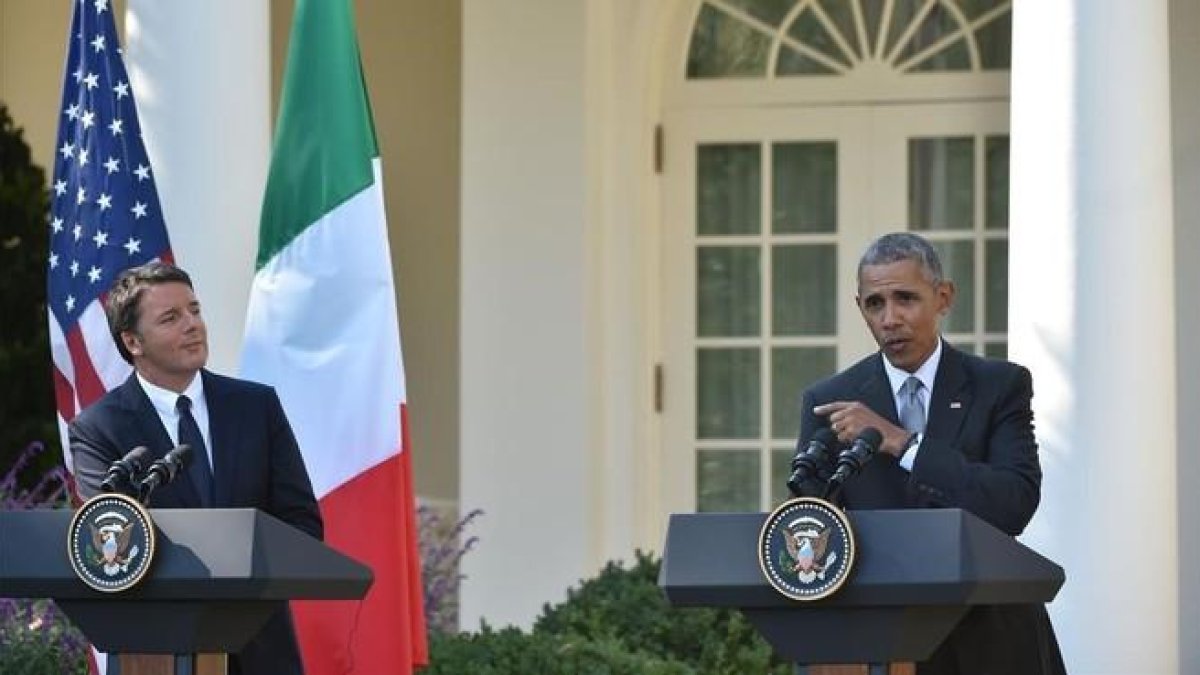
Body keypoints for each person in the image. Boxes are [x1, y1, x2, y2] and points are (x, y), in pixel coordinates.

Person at [796, 232, 1065, 675]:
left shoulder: (999, 386)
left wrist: (903, 444)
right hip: (876, 643)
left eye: (906, 298)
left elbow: (1012, 505)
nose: (890, 318)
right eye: (874, 304)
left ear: (944, 297)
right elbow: (814, 523)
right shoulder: (830, 400)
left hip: (990, 638)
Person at [69, 261, 322, 675]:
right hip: (159, 654)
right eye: (171, 318)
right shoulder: (98, 429)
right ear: (133, 341)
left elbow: (302, 524)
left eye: (195, 310)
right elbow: (110, 542)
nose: (193, 325)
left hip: (262, 652)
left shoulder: (256, 407)